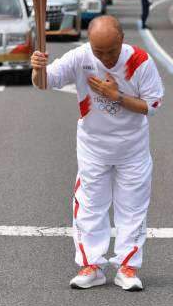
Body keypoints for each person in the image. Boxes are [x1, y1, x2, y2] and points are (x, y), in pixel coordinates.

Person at [30, 15, 164, 291]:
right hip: (93, 147)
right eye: (98, 52)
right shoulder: (81, 56)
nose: (104, 58)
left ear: (122, 40)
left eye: (110, 52)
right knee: (89, 205)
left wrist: (117, 97)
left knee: (133, 208)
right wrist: (37, 68)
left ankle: (127, 267)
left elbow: (152, 106)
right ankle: (91, 265)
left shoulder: (140, 61)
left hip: (132, 148)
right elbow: (45, 82)